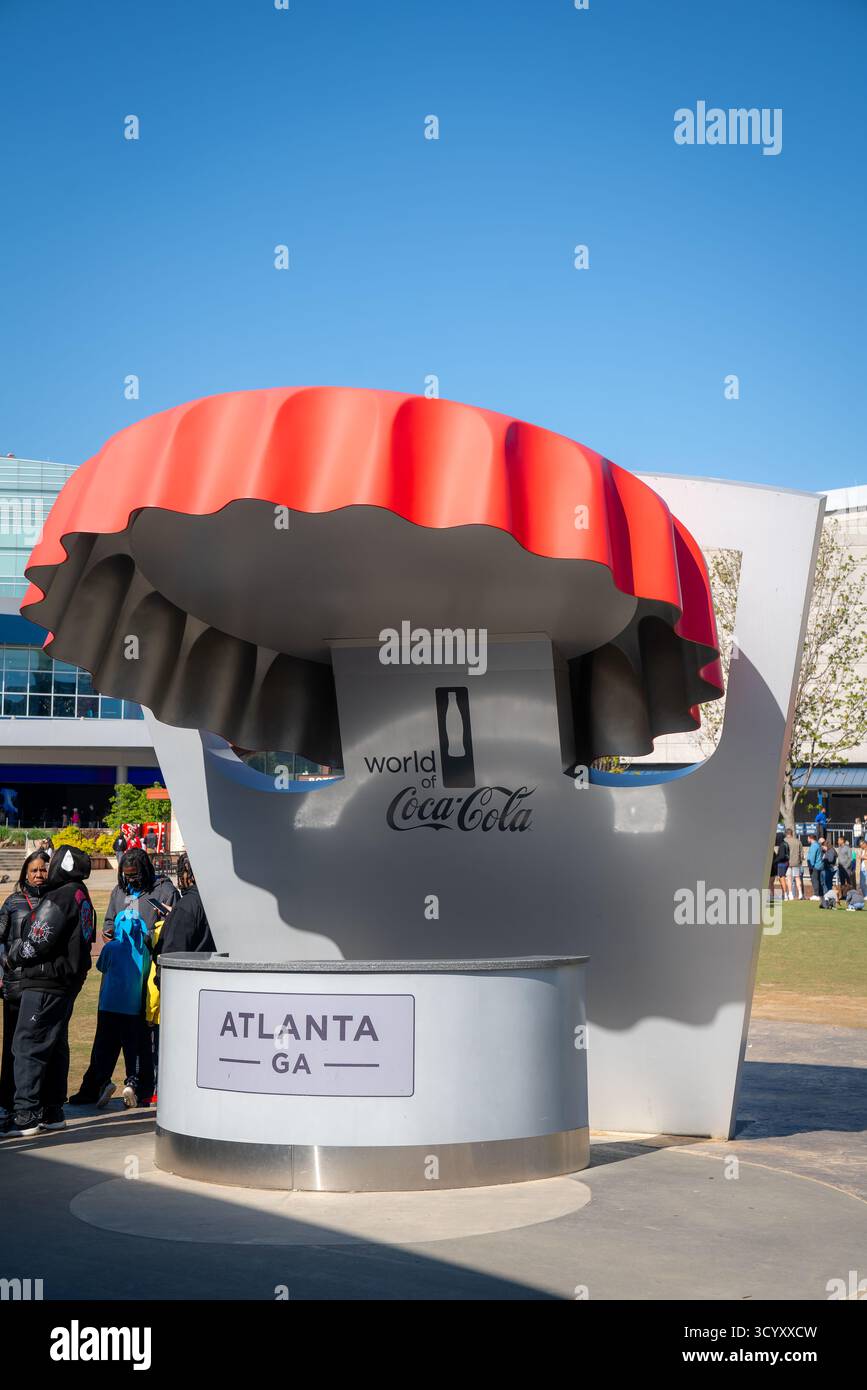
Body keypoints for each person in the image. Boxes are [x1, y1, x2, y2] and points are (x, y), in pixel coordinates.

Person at [69, 847, 177, 1109]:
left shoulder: (164, 890)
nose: (130, 879)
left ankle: (141, 1087)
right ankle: (95, 1085)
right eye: (126, 875)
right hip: (117, 976)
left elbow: (173, 929)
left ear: (145, 870)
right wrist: (112, 936)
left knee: (141, 1038)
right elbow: (108, 924)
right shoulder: (119, 892)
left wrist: (147, 938)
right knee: (105, 1035)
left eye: (134, 874)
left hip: (146, 975)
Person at [1, 847, 95, 1136]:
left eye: (50, 864)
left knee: (26, 1046)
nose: (46, 869)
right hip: (64, 982)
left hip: (46, 981)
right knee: (54, 1045)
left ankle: (26, 1115)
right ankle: (52, 1111)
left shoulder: (60, 897)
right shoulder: (80, 894)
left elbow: (36, 940)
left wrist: (12, 957)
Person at [0, 851, 50, 1132]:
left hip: (42, 985)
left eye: (43, 870)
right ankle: (7, 1103)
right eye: (34, 870)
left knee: (39, 1046)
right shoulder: (12, 902)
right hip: (15, 985)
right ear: (25, 874)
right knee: (12, 1047)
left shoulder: (54, 900)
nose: (39, 875)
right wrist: (5, 964)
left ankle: (35, 1105)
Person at [785, 827, 804, 901]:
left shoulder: (784, 841)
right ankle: (800, 893)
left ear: (786, 833)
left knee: (789, 878)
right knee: (797, 878)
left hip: (787, 863)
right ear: (792, 833)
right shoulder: (798, 841)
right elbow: (802, 853)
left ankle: (790, 894)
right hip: (796, 862)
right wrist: (800, 861)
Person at [806, 833, 824, 902]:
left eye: (808, 838)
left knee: (815, 880)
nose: (807, 839)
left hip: (815, 866)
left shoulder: (814, 845)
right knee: (818, 880)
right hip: (819, 865)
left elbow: (812, 857)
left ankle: (816, 895)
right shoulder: (817, 845)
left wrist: (810, 865)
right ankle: (819, 894)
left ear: (810, 838)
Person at [774, 834, 789, 899]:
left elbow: (782, 856)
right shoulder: (785, 844)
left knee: (782, 878)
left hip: (782, 863)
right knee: (781, 879)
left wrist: (775, 861)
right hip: (785, 862)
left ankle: (785, 894)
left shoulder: (782, 845)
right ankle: (784, 894)